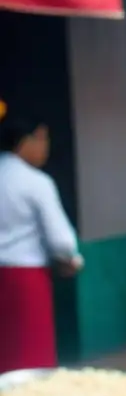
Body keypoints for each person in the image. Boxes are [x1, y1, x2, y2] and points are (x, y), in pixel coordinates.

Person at [0, 116, 82, 374]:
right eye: (43, 139)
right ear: (28, 140)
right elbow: (62, 242)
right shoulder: (36, 182)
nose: (46, 148)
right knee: (30, 361)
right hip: (26, 281)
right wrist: (71, 259)